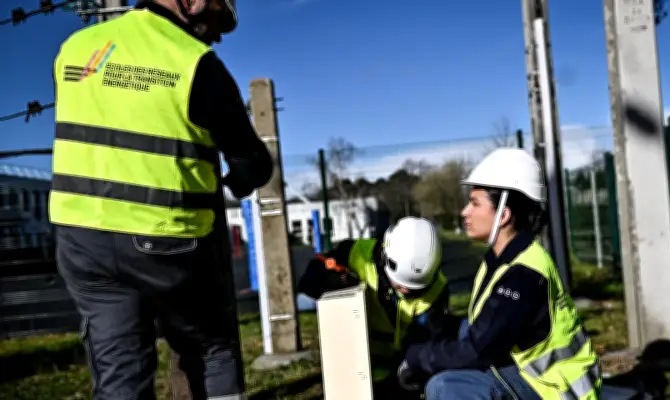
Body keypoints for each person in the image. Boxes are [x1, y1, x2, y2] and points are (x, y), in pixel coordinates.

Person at [50, 1, 271, 399]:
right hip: (165, 240)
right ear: (196, 2)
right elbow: (251, 164)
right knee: (211, 347)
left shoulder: (76, 48)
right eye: (222, 19)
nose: (220, 34)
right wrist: (240, 178)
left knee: (119, 370)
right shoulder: (196, 63)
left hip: (84, 241)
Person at [397, 148, 602, 400]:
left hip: (558, 390)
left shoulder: (522, 275)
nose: (464, 212)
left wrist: (415, 358)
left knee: (446, 386)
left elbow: (476, 350)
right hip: (536, 376)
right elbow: (482, 327)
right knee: (460, 334)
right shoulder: (505, 257)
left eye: (474, 203)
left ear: (503, 215)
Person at [297, 216, 455, 398]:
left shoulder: (437, 292)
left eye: (414, 289)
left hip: (401, 365)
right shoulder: (357, 254)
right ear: (385, 257)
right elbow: (308, 280)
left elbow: (426, 346)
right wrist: (329, 280)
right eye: (401, 284)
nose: (405, 290)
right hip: (355, 358)